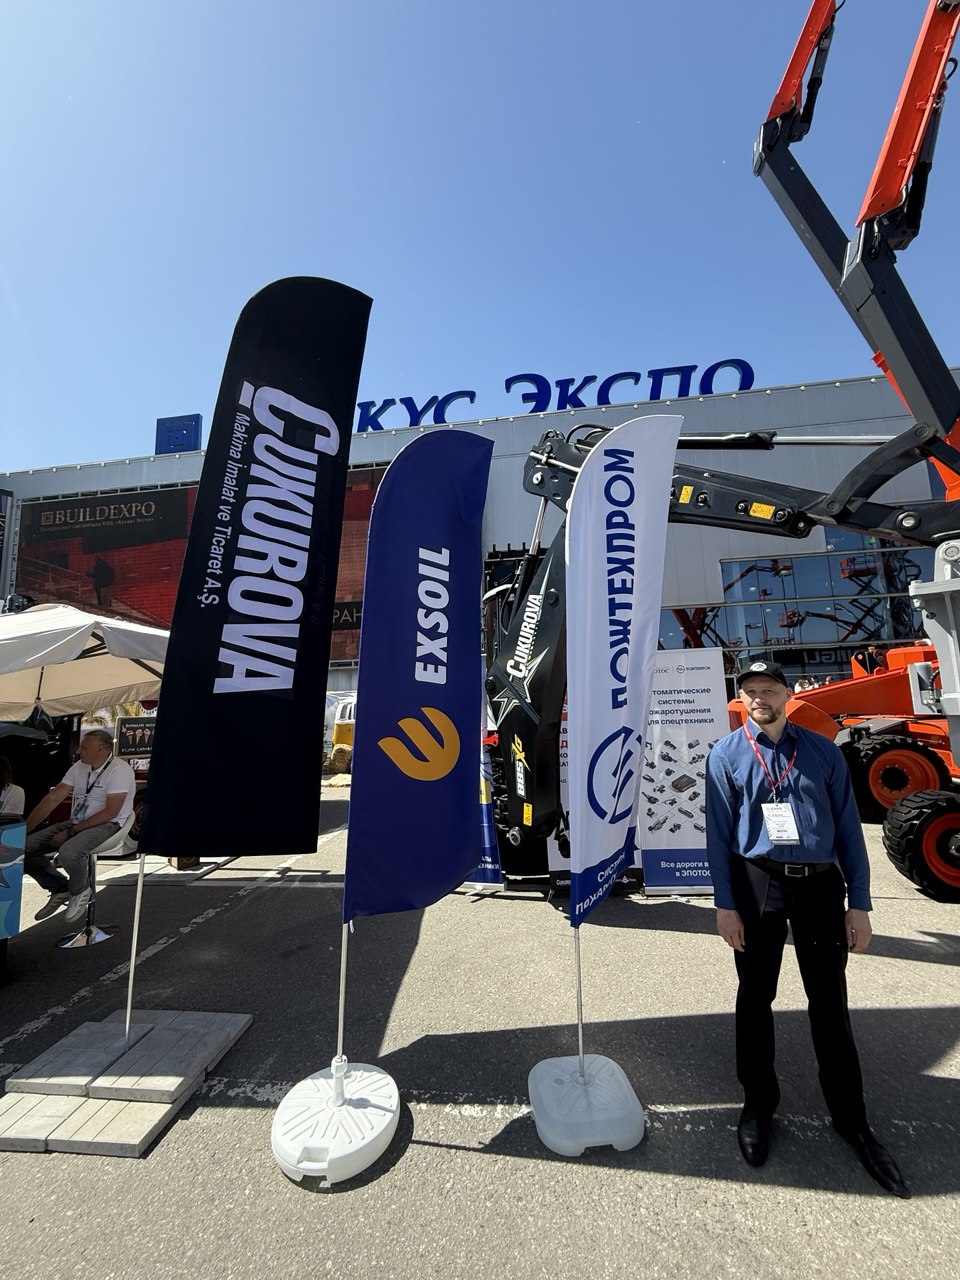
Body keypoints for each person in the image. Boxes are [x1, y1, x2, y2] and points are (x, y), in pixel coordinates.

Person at [705, 659, 909, 1198]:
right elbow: (718, 836)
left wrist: (859, 903)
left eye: (768, 689)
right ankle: (757, 1106)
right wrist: (725, 906)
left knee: (829, 1002)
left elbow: (848, 830)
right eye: (750, 690)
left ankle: (852, 1120)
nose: (759, 698)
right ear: (741, 698)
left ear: (788, 695)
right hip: (757, 882)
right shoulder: (725, 756)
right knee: (755, 998)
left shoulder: (822, 752)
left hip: (819, 886)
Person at [24, 729, 135, 926]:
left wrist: (71, 832)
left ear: (101, 749)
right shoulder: (79, 767)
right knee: (23, 848)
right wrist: (25, 829)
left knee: (69, 852)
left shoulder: (120, 770)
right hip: (77, 821)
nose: (78, 750)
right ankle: (60, 888)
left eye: (84, 747)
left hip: (109, 824)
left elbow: (111, 812)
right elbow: (53, 798)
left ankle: (80, 891)